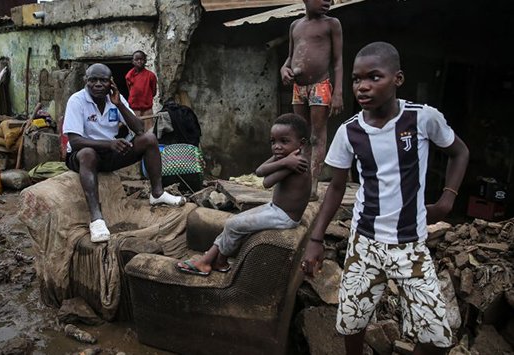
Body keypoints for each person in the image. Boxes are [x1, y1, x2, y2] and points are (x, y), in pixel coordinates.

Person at [301, 42, 469, 355]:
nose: (362, 87)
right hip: (364, 243)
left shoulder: (422, 119)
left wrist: (448, 201)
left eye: (374, 77)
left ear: (398, 79)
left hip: (410, 245)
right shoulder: (349, 132)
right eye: (356, 79)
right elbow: (336, 187)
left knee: (436, 337)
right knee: (351, 322)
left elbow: (459, 151)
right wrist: (316, 237)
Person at [176, 113, 311, 276]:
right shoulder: (288, 159)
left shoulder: (297, 163)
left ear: (301, 143)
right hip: (275, 208)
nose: (277, 146)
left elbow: (267, 182)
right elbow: (259, 171)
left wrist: (284, 162)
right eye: (273, 142)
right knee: (233, 221)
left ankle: (215, 261)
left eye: (284, 141)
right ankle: (213, 260)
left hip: (285, 217)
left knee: (234, 225)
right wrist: (281, 159)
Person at [63, 63, 185, 243]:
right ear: (85, 81)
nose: (98, 84)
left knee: (149, 140)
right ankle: (96, 219)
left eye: (103, 80)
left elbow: (139, 129)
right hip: (83, 156)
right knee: (88, 153)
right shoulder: (77, 100)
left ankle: (157, 194)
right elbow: (75, 141)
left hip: (109, 154)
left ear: (110, 82)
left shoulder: (114, 99)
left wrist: (119, 105)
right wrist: (109, 143)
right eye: (93, 80)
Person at [280, 0, 343, 201]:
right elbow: (289, 58)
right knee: (301, 136)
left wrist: (338, 92)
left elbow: (338, 61)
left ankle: (313, 185)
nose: (328, 1)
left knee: (317, 136)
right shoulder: (295, 26)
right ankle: (301, 182)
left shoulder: (331, 24)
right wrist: (284, 69)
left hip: (320, 85)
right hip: (299, 88)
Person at [125, 50, 157, 126]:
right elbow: (130, 90)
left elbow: (153, 92)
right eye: (136, 60)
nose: (139, 61)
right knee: (136, 131)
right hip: (134, 108)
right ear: (132, 61)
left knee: (148, 131)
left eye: (141, 59)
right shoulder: (129, 76)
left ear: (145, 61)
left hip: (147, 109)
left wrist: (146, 99)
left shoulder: (150, 75)